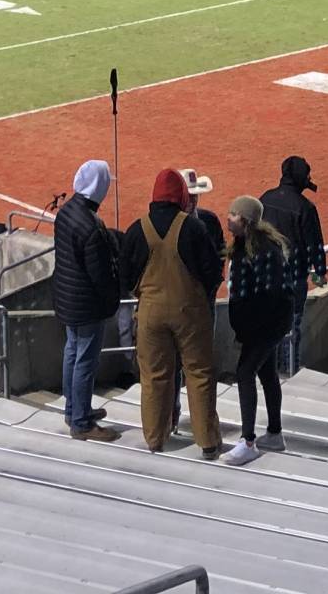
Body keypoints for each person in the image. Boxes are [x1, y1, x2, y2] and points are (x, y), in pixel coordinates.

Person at [116, 167, 223, 456]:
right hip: (190, 311)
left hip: (150, 312)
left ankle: (155, 439)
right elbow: (213, 272)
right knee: (199, 374)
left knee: (153, 377)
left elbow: (125, 278)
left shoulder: (137, 228)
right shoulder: (194, 227)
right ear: (180, 196)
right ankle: (208, 442)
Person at [221, 193, 295, 465]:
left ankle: (248, 441)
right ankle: (274, 433)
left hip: (264, 325)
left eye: (233, 214)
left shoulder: (260, 251)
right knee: (267, 373)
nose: (228, 217)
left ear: (247, 220)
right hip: (270, 323)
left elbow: (261, 295)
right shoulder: (256, 245)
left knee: (244, 373)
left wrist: (248, 331)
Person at [45, 163, 118, 436]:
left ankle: (73, 409)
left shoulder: (65, 214)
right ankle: (81, 422)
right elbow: (99, 274)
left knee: (72, 352)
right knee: (85, 360)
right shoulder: (90, 226)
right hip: (86, 304)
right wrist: (111, 300)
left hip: (67, 299)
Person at [258, 155, 327, 378]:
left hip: (265, 277)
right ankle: (290, 373)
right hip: (293, 278)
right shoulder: (304, 207)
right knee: (291, 327)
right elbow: (314, 244)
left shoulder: (265, 199)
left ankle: (269, 370)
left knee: (269, 326)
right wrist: (320, 272)